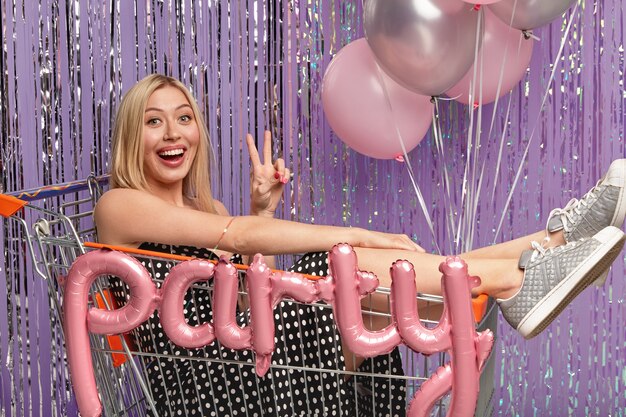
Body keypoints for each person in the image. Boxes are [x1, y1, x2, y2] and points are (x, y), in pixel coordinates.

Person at [94, 74, 626, 416]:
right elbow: (233, 238)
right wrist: (352, 232)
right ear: (130, 136)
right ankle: (529, 268)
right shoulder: (121, 204)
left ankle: (550, 245)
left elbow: (250, 294)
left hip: (253, 362)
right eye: (153, 120)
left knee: (361, 279)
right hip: (216, 393)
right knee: (338, 264)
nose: (173, 133)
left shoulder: (201, 209)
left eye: (183, 118)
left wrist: (262, 211)